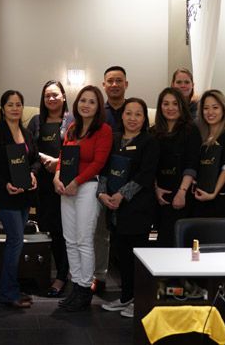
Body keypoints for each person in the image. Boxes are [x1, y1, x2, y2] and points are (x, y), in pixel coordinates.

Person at [98, 98, 159, 319]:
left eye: (138, 114)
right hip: (114, 209)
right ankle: (125, 297)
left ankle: (140, 300)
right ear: (121, 116)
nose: (133, 118)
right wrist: (102, 193)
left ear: (144, 119)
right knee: (121, 256)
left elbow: (145, 175)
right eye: (128, 113)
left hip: (138, 208)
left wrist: (122, 195)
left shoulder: (149, 142)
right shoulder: (114, 139)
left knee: (137, 258)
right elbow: (104, 169)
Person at [54, 85, 112, 312]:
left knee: (84, 239)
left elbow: (99, 163)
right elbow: (63, 156)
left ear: (98, 107)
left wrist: (76, 182)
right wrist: (57, 177)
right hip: (66, 188)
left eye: (91, 102)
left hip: (87, 187)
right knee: (69, 239)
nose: (86, 105)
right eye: (83, 100)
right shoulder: (72, 128)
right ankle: (76, 285)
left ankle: (85, 288)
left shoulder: (104, 130)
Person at [0, 90, 39, 308]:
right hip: (6, 195)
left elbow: (35, 159)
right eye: (10, 105)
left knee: (16, 241)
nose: (15, 108)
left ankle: (11, 287)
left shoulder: (26, 133)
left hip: (24, 195)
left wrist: (33, 173)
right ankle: (8, 292)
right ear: (2, 108)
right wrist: (4, 183)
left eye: (18, 104)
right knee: (15, 240)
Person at [27, 80, 72, 298]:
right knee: (51, 230)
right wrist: (45, 158)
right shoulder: (36, 121)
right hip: (42, 185)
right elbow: (27, 147)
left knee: (66, 232)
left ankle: (63, 275)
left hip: (66, 183)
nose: (51, 99)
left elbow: (77, 149)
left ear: (63, 96)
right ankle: (49, 272)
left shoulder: (72, 120)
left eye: (55, 95)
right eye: (47, 96)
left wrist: (59, 162)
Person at [150, 87, 200, 247]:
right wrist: (156, 188)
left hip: (182, 194)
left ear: (181, 106)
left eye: (175, 104)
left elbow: (192, 164)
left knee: (180, 243)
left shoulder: (191, 130)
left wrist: (182, 192)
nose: (170, 108)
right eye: (165, 104)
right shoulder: (152, 132)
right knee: (162, 241)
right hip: (159, 196)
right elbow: (149, 166)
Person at [95, 65, 128, 292]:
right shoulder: (98, 113)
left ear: (126, 84)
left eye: (119, 80)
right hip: (101, 179)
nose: (114, 84)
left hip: (128, 182)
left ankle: (128, 281)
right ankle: (100, 278)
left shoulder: (134, 110)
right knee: (99, 232)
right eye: (110, 81)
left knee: (125, 232)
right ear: (104, 85)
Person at [193, 89, 225, 218]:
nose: (210, 112)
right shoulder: (197, 136)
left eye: (215, 107)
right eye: (206, 108)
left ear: (223, 109)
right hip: (197, 197)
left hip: (220, 199)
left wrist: (213, 193)